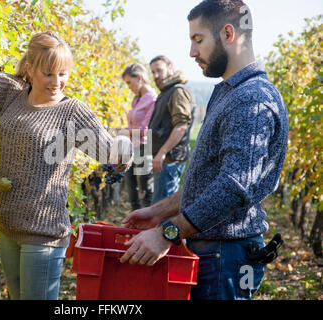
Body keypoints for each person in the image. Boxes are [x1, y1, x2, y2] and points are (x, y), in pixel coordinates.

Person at [0, 30, 133, 300]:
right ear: (30, 69)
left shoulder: (72, 112)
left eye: (63, 74)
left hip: (43, 233)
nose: (58, 82)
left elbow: (109, 152)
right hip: (8, 226)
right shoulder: (11, 93)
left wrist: (124, 146)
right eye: (49, 73)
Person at [120, 0, 289, 300]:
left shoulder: (251, 99)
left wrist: (166, 233)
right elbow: (209, 185)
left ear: (228, 33)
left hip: (225, 258)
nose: (192, 52)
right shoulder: (230, 93)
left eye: (198, 40)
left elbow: (233, 188)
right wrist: (157, 212)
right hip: (214, 252)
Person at [148, 55, 193, 205]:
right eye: (153, 72)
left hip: (170, 160)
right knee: (159, 207)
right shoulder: (166, 92)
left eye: (159, 71)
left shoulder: (177, 91)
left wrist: (162, 153)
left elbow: (181, 126)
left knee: (162, 209)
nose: (156, 76)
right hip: (164, 160)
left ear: (170, 68)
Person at [121, 63, 156, 210]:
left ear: (139, 78)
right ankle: (133, 228)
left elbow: (146, 130)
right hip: (131, 147)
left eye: (129, 82)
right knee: (131, 191)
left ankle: (147, 228)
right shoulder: (136, 99)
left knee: (145, 191)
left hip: (143, 148)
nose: (128, 86)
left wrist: (124, 132)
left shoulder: (152, 99)